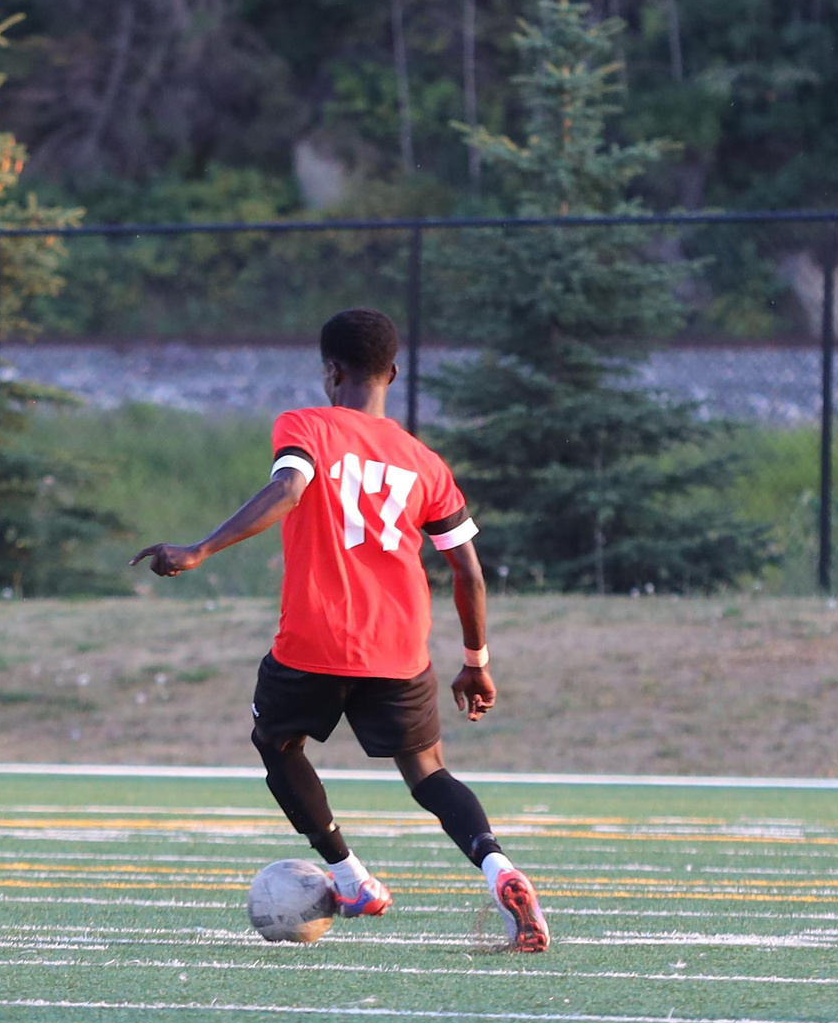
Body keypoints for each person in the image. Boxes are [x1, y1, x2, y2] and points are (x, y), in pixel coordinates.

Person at [132, 308, 550, 952]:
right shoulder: (424, 461)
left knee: (277, 740)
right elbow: (466, 568)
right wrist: (476, 660)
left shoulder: (305, 427)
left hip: (317, 638)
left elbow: (290, 489)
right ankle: (500, 867)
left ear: (332, 372)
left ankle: (350, 876)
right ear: (393, 372)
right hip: (400, 648)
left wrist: (202, 549)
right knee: (429, 773)